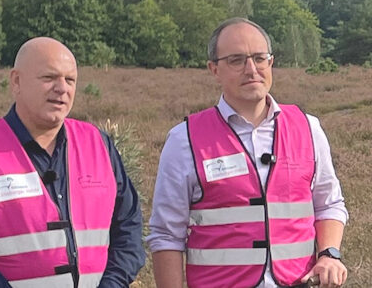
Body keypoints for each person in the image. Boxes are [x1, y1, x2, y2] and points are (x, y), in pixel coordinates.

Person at [148, 18, 349, 288]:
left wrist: (329, 254)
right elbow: (166, 236)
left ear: (271, 63)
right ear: (214, 69)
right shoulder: (183, 140)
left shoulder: (308, 128)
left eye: (259, 58)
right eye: (236, 60)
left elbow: (329, 204)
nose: (251, 69)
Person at [0, 37, 146, 288]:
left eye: (70, 80)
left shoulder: (99, 144)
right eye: (49, 78)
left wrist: (112, 284)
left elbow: (129, 228)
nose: (62, 88)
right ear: (16, 81)